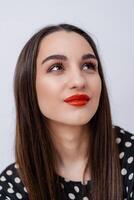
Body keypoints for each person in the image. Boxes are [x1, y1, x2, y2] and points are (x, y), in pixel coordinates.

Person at [0, 23, 134, 200]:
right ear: (29, 86)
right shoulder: (10, 186)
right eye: (56, 67)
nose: (79, 81)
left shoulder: (129, 156)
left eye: (88, 66)